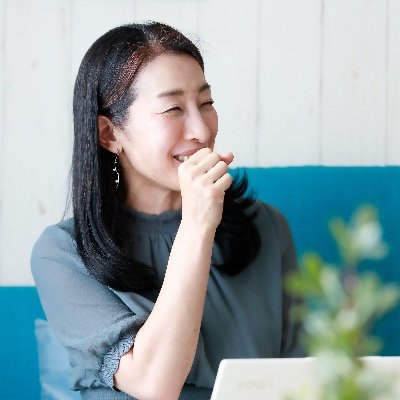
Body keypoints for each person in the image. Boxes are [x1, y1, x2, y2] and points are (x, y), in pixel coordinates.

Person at [31, 21, 304, 400]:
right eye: (173, 108)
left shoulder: (266, 226)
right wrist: (197, 225)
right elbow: (154, 384)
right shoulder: (62, 252)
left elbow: (304, 378)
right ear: (110, 133)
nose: (201, 131)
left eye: (206, 103)